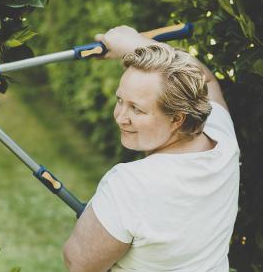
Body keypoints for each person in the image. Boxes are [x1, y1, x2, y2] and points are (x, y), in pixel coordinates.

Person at [63, 26, 240, 272]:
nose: (120, 117)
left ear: (177, 119)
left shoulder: (129, 185)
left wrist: (137, 43)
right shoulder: (222, 139)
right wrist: (135, 43)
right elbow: (206, 79)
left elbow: (78, 263)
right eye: (120, 100)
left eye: (137, 109)